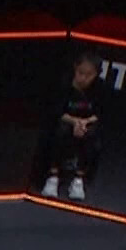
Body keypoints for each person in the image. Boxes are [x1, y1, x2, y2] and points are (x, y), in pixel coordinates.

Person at [36, 51, 105, 202]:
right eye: (80, 73)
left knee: (91, 135)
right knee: (59, 131)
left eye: (89, 75)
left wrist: (84, 123)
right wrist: (74, 122)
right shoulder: (64, 84)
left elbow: (100, 113)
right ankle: (53, 177)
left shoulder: (99, 87)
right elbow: (57, 111)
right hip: (66, 120)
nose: (83, 78)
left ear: (96, 74)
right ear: (75, 68)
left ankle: (78, 179)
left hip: (86, 122)